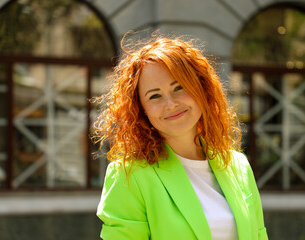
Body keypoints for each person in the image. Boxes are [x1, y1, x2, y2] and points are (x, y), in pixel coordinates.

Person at [93, 34, 268, 240]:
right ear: (142, 110)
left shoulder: (238, 165)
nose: (171, 103)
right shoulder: (130, 175)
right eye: (155, 96)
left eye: (179, 87)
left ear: (201, 89)